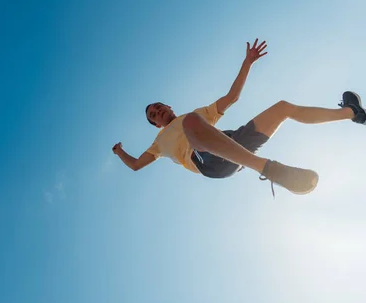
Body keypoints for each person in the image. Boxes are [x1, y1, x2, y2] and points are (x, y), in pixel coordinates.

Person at [112, 39, 365, 197]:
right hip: (207, 162)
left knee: (282, 107)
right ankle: (270, 169)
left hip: (233, 144)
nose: (158, 112)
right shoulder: (159, 142)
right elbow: (135, 165)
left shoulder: (198, 114)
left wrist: (248, 62)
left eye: (158, 107)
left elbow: (232, 97)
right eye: (154, 115)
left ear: (167, 105)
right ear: (156, 124)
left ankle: (351, 113)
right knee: (190, 122)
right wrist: (119, 152)